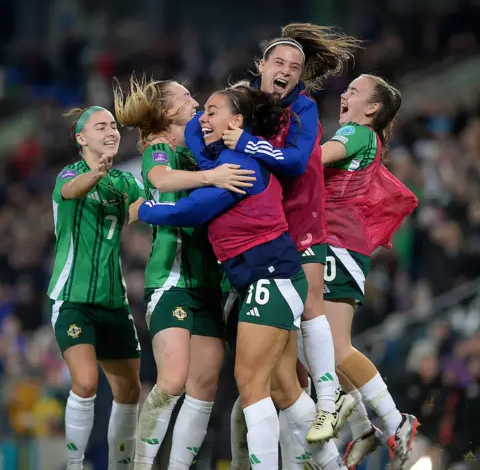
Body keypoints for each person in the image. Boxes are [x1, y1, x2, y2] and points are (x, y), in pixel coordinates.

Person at [130, 84, 345, 470]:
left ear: (237, 122)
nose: (201, 115)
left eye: (211, 110)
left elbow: (190, 212)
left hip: (271, 276)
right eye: (199, 108)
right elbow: (196, 136)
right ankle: (334, 464)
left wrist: (143, 210)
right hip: (264, 279)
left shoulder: (238, 167)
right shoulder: (221, 158)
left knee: (249, 382)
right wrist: (198, 118)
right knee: (283, 387)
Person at [219, 25, 363, 453]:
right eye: (278, 63)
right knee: (278, 380)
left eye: (294, 68)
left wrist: (246, 142)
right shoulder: (242, 102)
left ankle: (330, 398)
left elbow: (298, 163)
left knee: (311, 307)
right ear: (261, 66)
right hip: (261, 230)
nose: (285, 71)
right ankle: (333, 443)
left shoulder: (304, 108)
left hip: (300, 216)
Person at [114, 76, 256, 470]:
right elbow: (161, 181)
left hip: (211, 283)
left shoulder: (202, 149)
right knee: (173, 378)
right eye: (185, 97)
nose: (194, 101)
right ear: (165, 112)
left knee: (205, 387)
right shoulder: (158, 149)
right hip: (171, 279)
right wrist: (213, 177)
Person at [321, 74, 419, 468]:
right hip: (330, 243)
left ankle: (396, 423)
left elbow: (312, 160)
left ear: (372, 108)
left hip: (338, 244)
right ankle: (364, 428)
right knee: (315, 349)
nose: (344, 94)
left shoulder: (357, 134)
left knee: (337, 348)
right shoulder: (362, 138)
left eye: (354, 91)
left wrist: (260, 149)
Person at [48, 106, 145, 470]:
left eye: (114, 126)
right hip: (73, 299)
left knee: (130, 391)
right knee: (86, 383)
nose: (112, 131)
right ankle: (75, 465)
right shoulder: (69, 175)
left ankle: (122, 465)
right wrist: (96, 172)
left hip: (114, 302)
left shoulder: (122, 182)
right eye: (101, 126)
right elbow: (72, 190)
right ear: (81, 138)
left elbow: (144, 203)